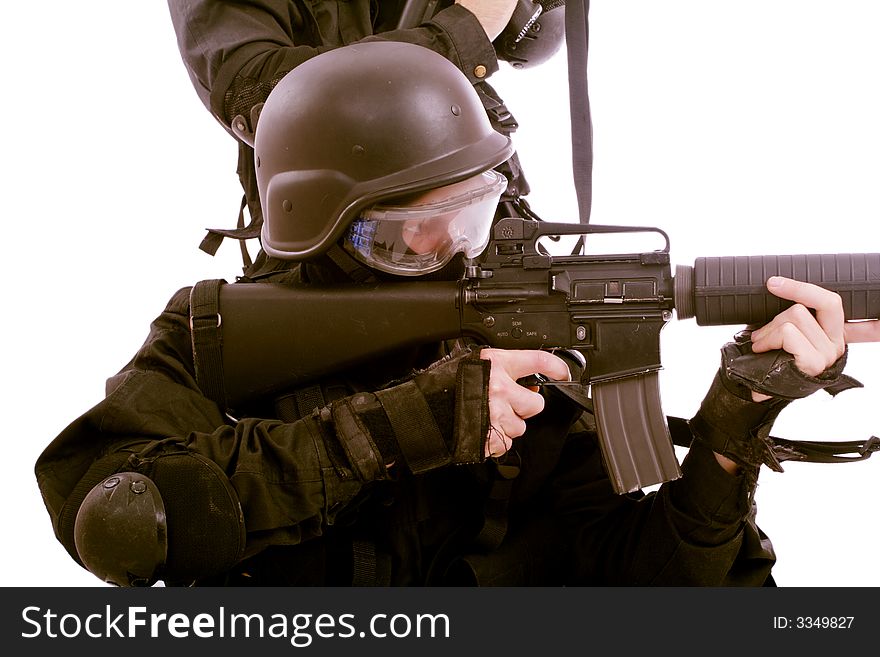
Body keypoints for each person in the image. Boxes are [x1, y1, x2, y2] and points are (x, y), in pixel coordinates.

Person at [35, 41, 874, 587]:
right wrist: (393, 429)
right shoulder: (215, 340)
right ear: (314, 230)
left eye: (470, 212)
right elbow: (119, 521)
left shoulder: (518, 347)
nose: (452, 247)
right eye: (407, 232)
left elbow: (647, 588)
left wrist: (731, 436)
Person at [165, 0, 550, 274]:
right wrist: (466, 29)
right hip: (347, 235)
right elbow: (257, 94)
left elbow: (533, 37)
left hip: (473, 203)